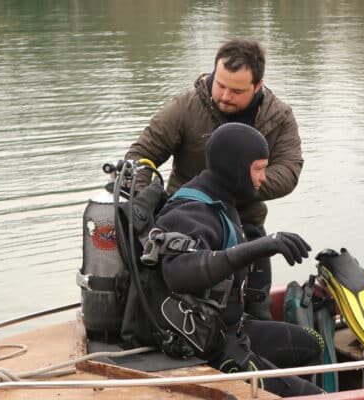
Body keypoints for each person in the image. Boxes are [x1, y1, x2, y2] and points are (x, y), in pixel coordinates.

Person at [125, 39, 303, 319]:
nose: (224, 95)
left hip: (246, 226)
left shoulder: (278, 117)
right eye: (219, 84)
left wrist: (235, 184)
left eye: (236, 90)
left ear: (258, 86)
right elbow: (140, 155)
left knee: (255, 312)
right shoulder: (185, 107)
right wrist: (144, 197)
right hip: (187, 225)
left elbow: (290, 170)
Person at [155, 122, 322, 397]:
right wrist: (258, 248)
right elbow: (177, 271)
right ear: (234, 168)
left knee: (312, 343)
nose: (263, 178)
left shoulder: (219, 198)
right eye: (257, 168)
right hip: (210, 345)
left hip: (233, 328)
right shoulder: (189, 213)